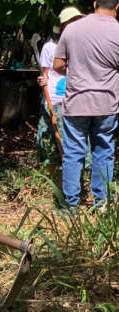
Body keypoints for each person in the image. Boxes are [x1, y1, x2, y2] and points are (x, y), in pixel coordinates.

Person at [53, 0, 119, 210]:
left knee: (73, 153)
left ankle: (70, 206)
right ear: (117, 7)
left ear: (94, 3)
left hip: (76, 103)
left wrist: (76, 71)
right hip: (107, 104)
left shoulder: (72, 29)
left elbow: (58, 65)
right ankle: (102, 205)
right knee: (104, 152)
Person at [35, 7, 86, 189]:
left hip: (77, 102)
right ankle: (54, 185)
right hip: (55, 102)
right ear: (63, 26)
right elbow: (45, 75)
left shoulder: (84, 47)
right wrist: (42, 80)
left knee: (75, 146)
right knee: (51, 144)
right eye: (71, 22)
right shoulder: (51, 47)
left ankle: (76, 185)